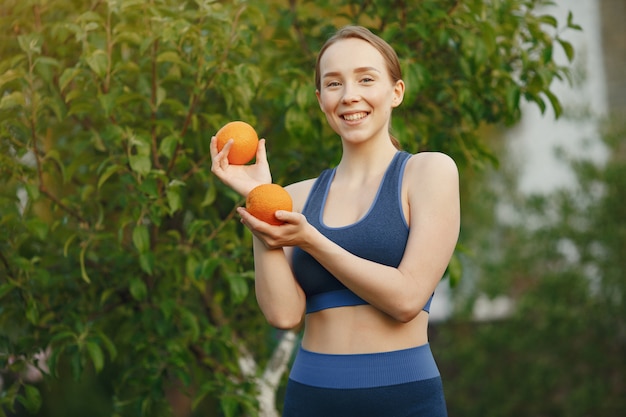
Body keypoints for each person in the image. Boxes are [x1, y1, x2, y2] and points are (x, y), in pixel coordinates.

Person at [211, 25, 459, 417]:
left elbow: (407, 299)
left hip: (403, 399)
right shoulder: (295, 196)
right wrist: (258, 200)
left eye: (365, 79)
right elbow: (284, 316)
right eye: (333, 84)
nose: (349, 96)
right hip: (311, 399)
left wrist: (312, 240)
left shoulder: (429, 172)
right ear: (320, 99)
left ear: (396, 92)